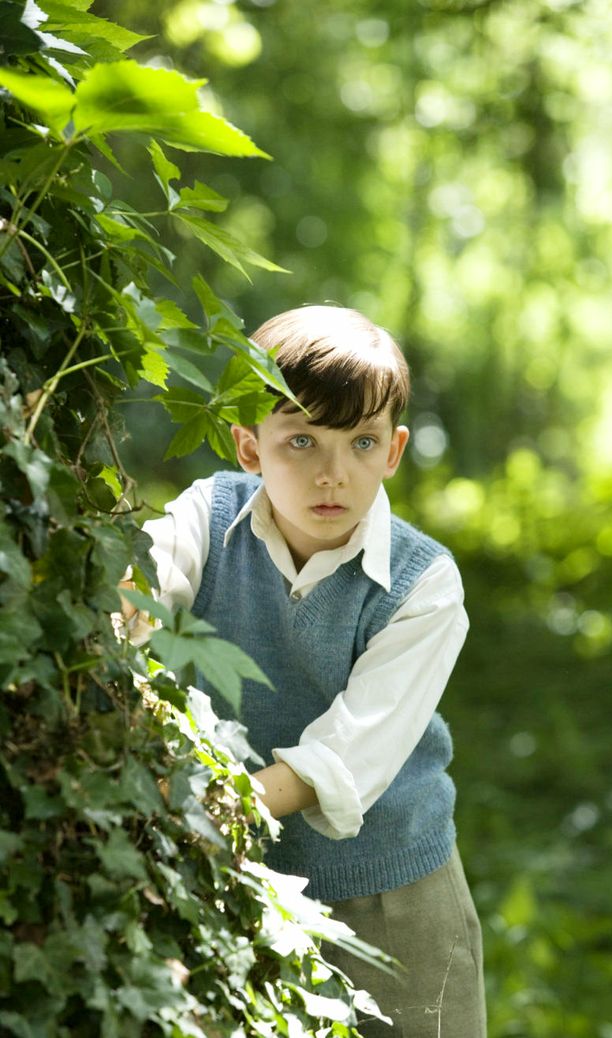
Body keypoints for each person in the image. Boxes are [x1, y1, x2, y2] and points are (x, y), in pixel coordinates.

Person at [139, 305, 486, 1036]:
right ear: (248, 446)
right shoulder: (208, 515)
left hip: (391, 895)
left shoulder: (423, 585)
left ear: (392, 452)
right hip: (227, 878)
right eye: (301, 440)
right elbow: (132, 594)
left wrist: (202, 806)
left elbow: (349, 753)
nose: (334, 474)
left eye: (360, 443)